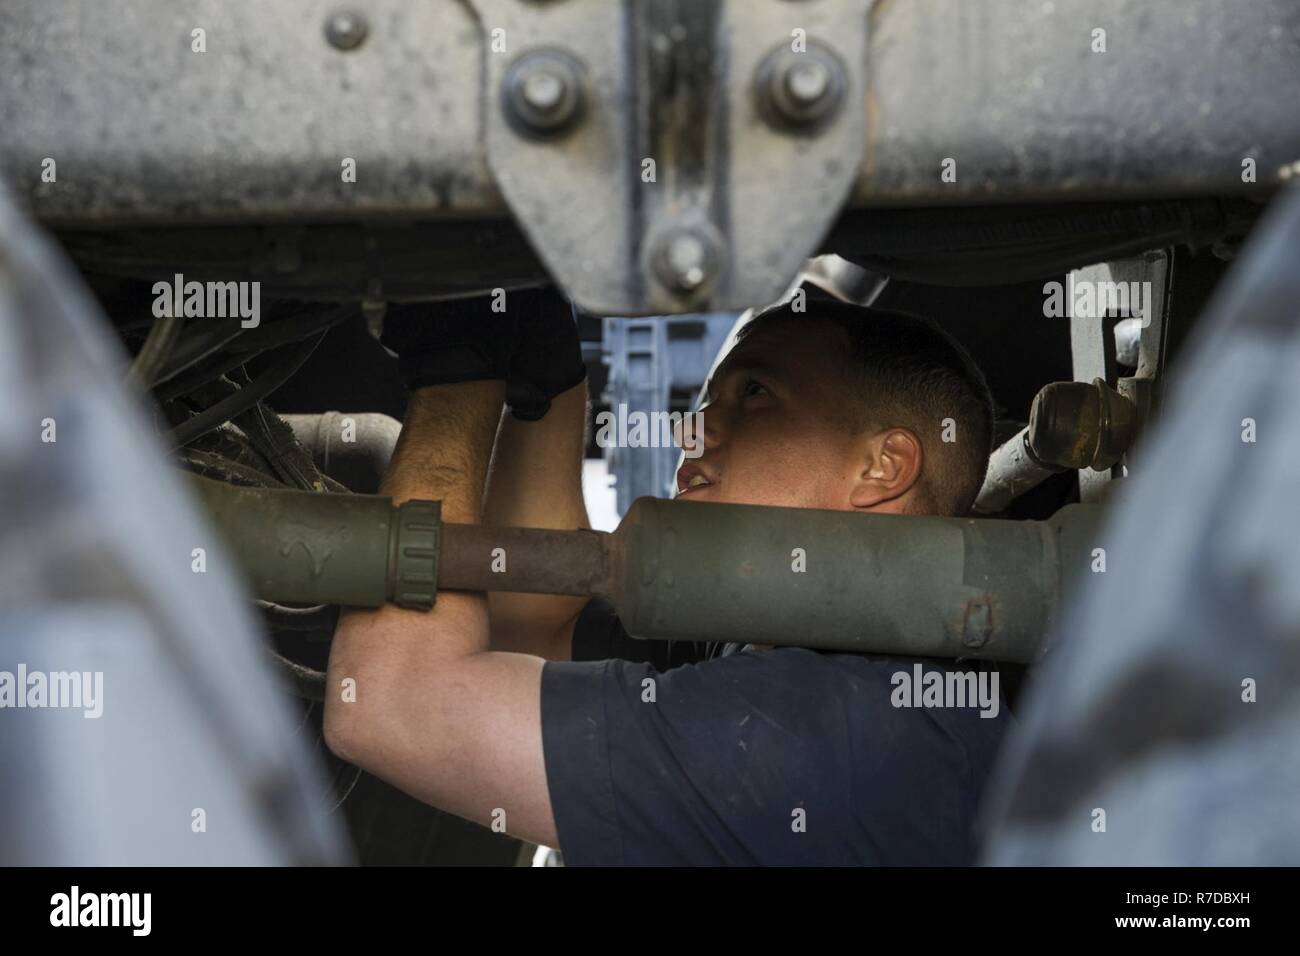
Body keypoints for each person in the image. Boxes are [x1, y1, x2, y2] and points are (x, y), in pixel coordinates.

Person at [324, 288, 1010, 865]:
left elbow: (390, 704)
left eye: (756, 393)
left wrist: (456, 378)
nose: (695, 430)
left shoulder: (853, 733)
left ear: (883, 468)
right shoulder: (770, 660)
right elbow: (534, 625)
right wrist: (549, 393)